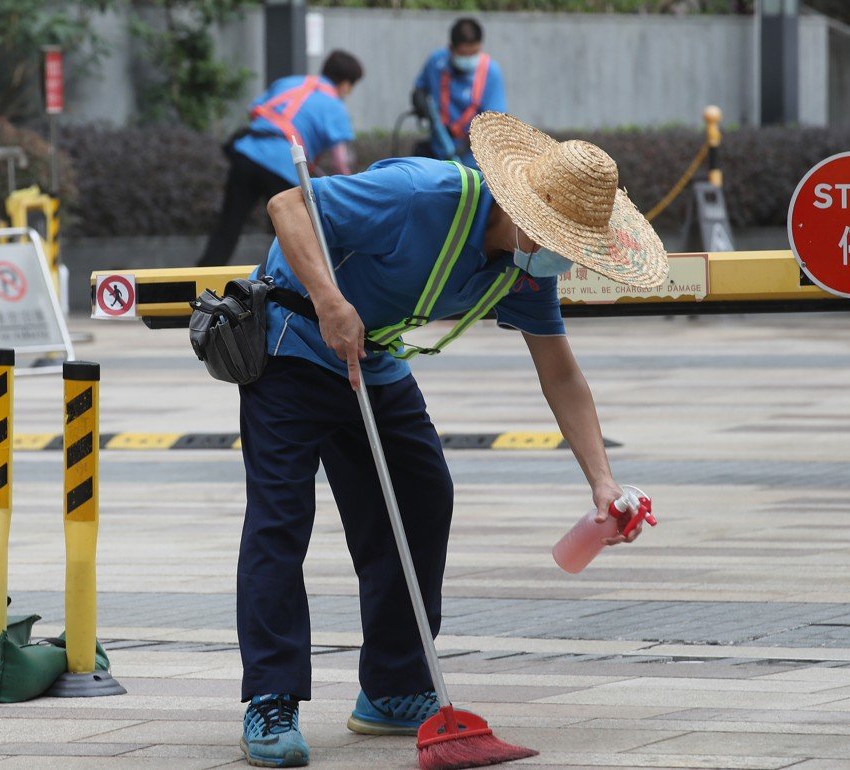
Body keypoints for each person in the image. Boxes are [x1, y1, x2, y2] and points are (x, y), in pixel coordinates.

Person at [234, 113, 668, 767]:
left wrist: (602, 482)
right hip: (294, 342)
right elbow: (288, 204)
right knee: (281, 520)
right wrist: (328, 299)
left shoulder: (524, 269)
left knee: (423, 494)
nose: (560, 254)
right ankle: (271, 699)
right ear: (522, 211)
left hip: (373, 358)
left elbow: (561, 372)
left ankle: (393, 686)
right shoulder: (418, 195)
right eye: (558, 238)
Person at [198, 50, 363, 268]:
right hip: (283, 166)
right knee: (291, 235)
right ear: (345, 84)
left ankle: (202, 283)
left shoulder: (288, 82)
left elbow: (255, 111)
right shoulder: (335, 106)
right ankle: (281, 287)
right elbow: (340, 160)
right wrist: (349, 189)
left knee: (229, 226)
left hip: (247, 153)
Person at [412, 18, 506, 168]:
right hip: (437, 153)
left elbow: (493, 123)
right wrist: (420, 102)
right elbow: (420, 89)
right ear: (451, 48)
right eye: (463, 54)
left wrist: (467, 144)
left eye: (474, 53)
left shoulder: (491, 73)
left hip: (473, 161)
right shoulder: (436, 63)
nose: (469, 58)